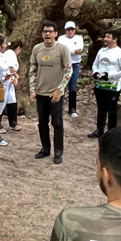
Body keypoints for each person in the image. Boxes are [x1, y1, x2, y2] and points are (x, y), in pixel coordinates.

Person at [30, 21, 73, 165]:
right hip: (41, 93)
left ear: (55, 34)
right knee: (42, 122)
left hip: (55, 94)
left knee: (57, 123)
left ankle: (58, 152)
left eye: (50, 31)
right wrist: (32, 89)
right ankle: (45, 149)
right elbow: (33, 69)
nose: (47, 34)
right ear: (42, 34)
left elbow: (69, 70)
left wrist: (60, 89)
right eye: (45, 32)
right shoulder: (37, 49)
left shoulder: (62, 49)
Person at [89, 29, 121, 139]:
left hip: (113, 86)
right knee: (101, 108)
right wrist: (96, 72)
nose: (105, 39)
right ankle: (99, 130)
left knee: (111, 109)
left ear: (115, 39)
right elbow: (95, 64)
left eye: (108, 37)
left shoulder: (120, 53)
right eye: (105, 37)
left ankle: (111, 132)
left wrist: (109, 75)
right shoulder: (102, 51)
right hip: (100, 85)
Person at [58, 21, 84, 117]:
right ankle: (59, 107)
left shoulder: (79, 38)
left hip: (75, 64)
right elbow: (60, 51)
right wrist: (73, 50)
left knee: (72, 87)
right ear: (65, 30)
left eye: (72, 29)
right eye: (68, 29)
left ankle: (72, 109)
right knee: (61, 85)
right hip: (63, 64)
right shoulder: (61, 38)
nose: (70, 31)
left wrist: (68, 50)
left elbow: (79, 51)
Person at [3, 41, 22, 131]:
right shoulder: (10, 54)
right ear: (18, 48)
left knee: (12, 101)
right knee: (1, 102)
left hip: (9, 82)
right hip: (4, 81)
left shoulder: (11, 54)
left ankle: (13, 123)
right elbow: (10, 68)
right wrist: (15, 75)